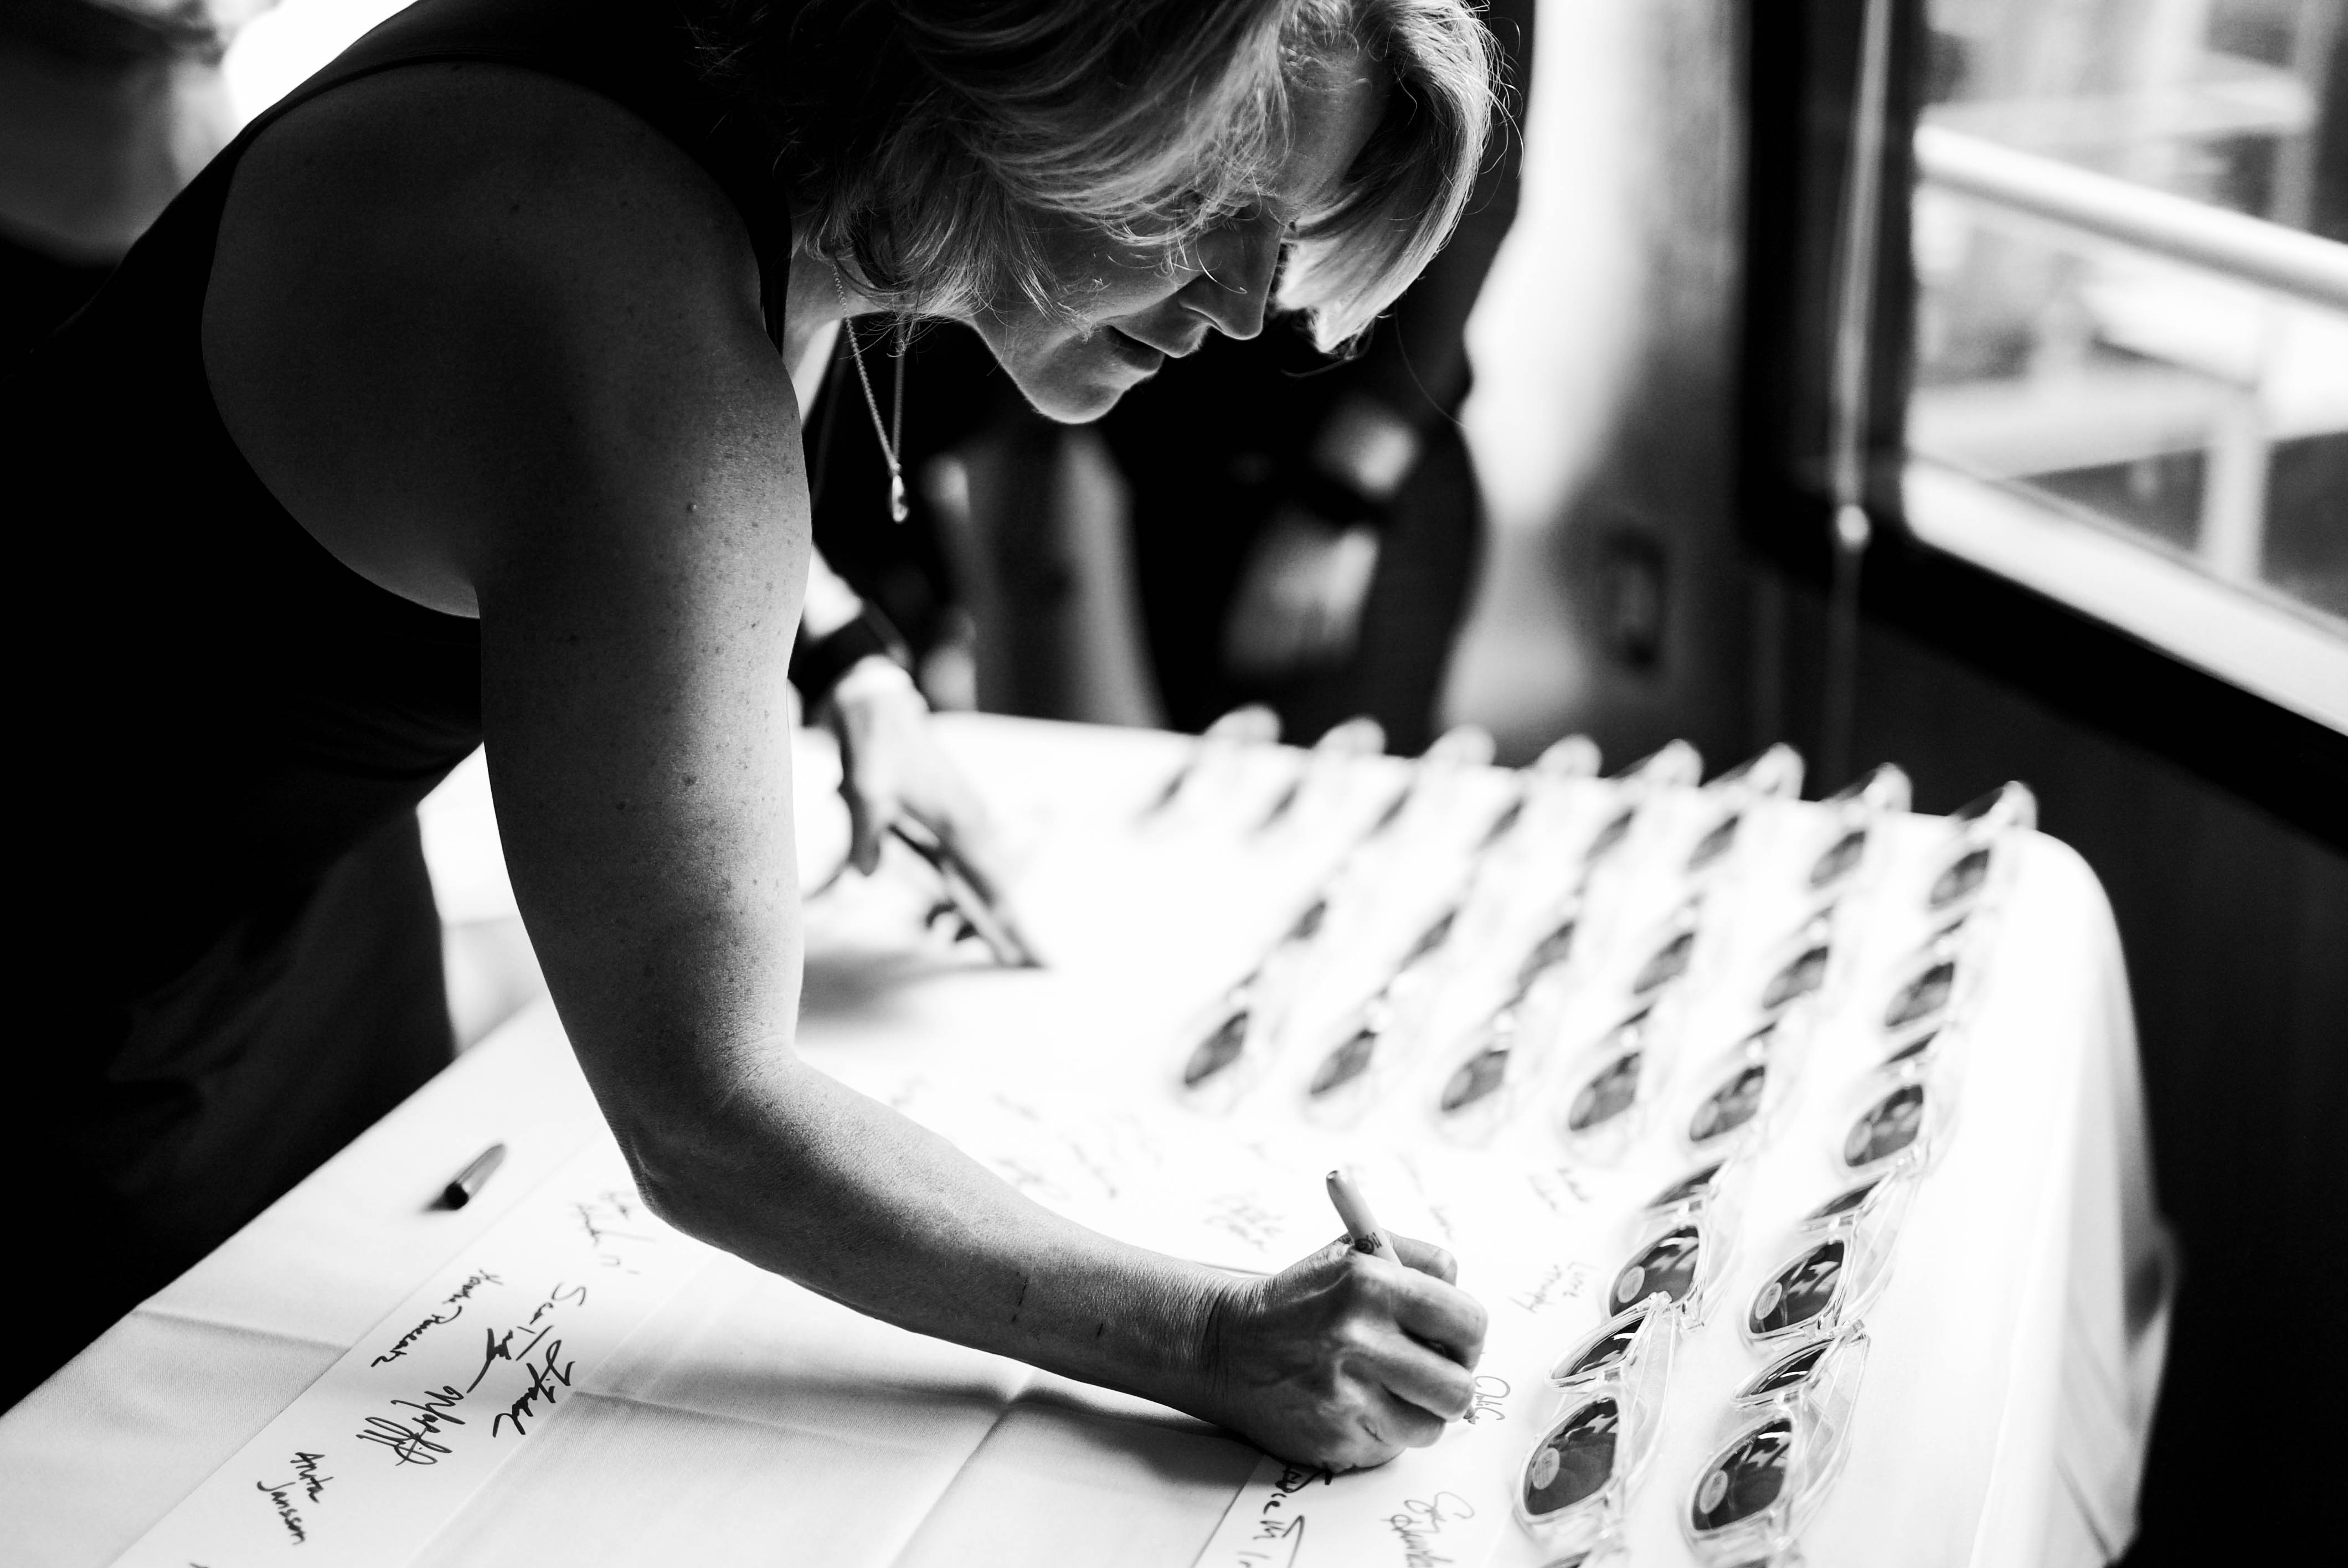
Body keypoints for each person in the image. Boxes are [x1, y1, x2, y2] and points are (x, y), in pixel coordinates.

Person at [7, 0, 1497, 1466]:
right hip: (59, 1005)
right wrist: (1212, 1337)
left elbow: (559, 478)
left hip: (308, 880)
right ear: (1035, 76)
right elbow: (709, 1115)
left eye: (1281, 234)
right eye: (1205, 202)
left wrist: (851, 661)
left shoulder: (739, 92)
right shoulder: (622, 309)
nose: (1243, 303)